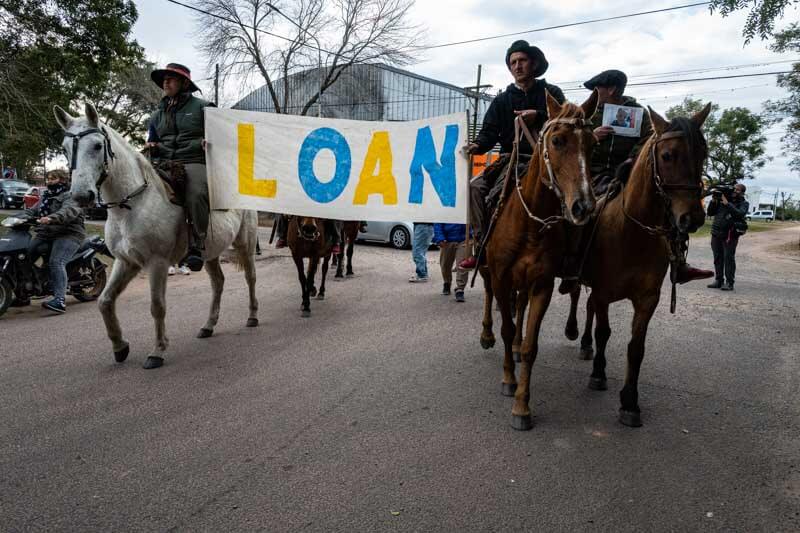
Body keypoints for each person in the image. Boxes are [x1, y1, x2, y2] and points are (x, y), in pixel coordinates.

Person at [557, 69, 711, 293]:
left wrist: (631, 159)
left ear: (611, 89)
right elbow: (573, 141)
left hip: (629, 172)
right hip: (594, 173)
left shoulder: (638, 113)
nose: (594, 93)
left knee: (666, 206)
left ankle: (679, 262)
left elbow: (651, 140)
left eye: (597, 89)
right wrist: (592, 137)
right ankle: (573, 262)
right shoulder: (586, 113)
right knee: (581, 208)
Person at [458, 40, 565, 270]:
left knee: (573, 193)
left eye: (522, 61)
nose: (517, 66)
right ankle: (481, 247)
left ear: (533, 64)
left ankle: (570, 256)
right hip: (511, 160)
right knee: (475, 187)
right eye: (513, 62)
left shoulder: (551, 93)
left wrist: (538, 115)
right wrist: (476, 145)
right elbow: (488, 134)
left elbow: (564, 124)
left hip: (547, 160)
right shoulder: (501, 101)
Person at [146, 63, 214, 271]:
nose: (165, 82)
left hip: (194, 159)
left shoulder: (204, 107)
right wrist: (152, 146)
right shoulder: (156, 115)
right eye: (164, 79)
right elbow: (152, 139)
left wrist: (208, 140)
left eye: (171, 79)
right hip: (164, 161)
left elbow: (220, 134)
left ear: (184, 83)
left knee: (196, 193)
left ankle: (197, 245)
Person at [21, 169, 85, 313]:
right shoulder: (46, 196)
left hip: (68, 233)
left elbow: (68, 211)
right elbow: (32, 210)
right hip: (46, 233)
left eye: (53, 178)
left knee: (56, 262)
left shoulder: (71, 196)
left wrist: (51, 218)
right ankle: (23, 294)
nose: (49, 181)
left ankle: (60, 300)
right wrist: (20, 217)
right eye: (48, 178)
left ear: (62, 180)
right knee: (24, 257)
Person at [707, 183, 749, 291]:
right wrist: (713, 201)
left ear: (743, 192)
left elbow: (740, 214)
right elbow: (710, 213)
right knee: (717, 257)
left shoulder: (744, 203)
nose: (735, 191)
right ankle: (718, 280)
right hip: (716, 233)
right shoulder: (722, 200)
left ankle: (730, 283)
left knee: (728, 258)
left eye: (738, 190)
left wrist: (727, 204)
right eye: (734, 189)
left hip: (730, 234)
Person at [434, 222, 471, 302]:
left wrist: (472, 233)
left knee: (463, 265)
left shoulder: (468, 208)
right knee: (445, 265)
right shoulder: (443, 209)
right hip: (447, 240)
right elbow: (438, 222)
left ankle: (460, 289)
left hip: (464, 239)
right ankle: (447, 282)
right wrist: (440, 238)